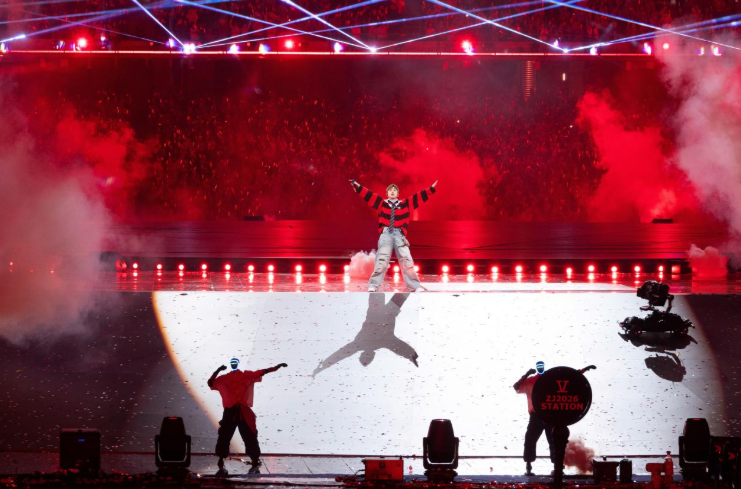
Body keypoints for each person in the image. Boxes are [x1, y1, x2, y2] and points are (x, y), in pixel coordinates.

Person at [349, 179, 438, 292]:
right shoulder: (382, 203)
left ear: (397, 193)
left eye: (394, 190)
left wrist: (430, 189)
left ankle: (414, 286)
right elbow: (369, 195)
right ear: (387, 193)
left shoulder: (405, 204)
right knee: (381, 260)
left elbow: (418, 197)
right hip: (386, 233)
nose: (392, 191)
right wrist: (358, 186)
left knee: (406, 260)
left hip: (399, 234)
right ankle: (374, 285)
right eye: (390, 190)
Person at [514, 362, 597, 476]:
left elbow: (568, 377)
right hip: (539, 415)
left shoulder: (548, 378)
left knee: (553, 441)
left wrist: (583, 370)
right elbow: (517, 387)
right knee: (532, 439)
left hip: (549, 414)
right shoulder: (533, 380)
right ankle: (530, 465)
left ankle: (557, 466)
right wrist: (527, 374)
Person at [208, 358, 288, 475]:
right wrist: (218, 370)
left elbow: (263, 371)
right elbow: (211, 383)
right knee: (224, 437)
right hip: (231, 412)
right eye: (232, 363)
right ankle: (221, 463)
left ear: (237, 364)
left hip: (243, 412)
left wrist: (276, 367)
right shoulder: (225, 378)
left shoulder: (245, 375)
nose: (233, 365)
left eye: (235, 363)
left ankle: (255, 462)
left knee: (249, 437)